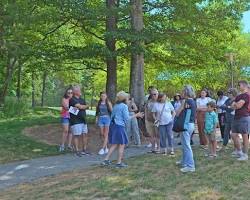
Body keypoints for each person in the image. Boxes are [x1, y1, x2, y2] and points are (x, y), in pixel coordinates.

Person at [101, 91, 143, 168]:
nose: (128, 99)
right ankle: (119, 163)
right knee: (122, 144)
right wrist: (136, 115)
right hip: (119, 126)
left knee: (115, 144)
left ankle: (105, 160)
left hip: (113, 126)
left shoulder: (116, 105)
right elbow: (127, 119)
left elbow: (113, 116)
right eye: (127, 97)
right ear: (124, 99)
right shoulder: (124, 106)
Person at [176, 85, 197, 173]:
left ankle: (190, 166)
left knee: (187, 146)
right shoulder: (193, 101)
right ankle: (184, 162)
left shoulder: (186, 101)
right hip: (190, 124)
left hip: (186, 125)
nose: (181, 93)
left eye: (182, 91)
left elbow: (178, 113)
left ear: (185, 92)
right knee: (185, 145)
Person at [231, 80, 250, 161]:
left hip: (244, 117)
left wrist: (236, 104)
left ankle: (245, 155)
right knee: (233, 135)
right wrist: (236, 104)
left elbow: (238, 106)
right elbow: (232, 106)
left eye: (239, 85)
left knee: (245, 136)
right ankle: (239, 152)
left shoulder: (246, 95)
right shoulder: (239, 96)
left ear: (244, 85)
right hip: (236, 117)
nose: (238, 87)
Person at [69, 85, 89, 157]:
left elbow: (87, 106)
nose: (80, 91)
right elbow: (80, 106)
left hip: (83, 120)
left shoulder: (82, 99)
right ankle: (77, 151)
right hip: (76, 120)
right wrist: (83, 106)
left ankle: (84, 150)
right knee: (77, 135)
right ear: (75, 92)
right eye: (79, 90)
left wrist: (83, 106)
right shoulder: (72, 99)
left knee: (85, 134)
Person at [145, 88, 160, 153]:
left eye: (155, 94)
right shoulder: (149, 101)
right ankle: (153, 148)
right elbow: (146, 109)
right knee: (151, 135)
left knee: (157, 135)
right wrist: (145, 118)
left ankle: (158, 148)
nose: (153, 96)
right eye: (152, 94)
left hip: (156, 121)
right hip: (149, 121)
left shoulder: (160, 101)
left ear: (157, 94)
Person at [59, 87, 73, 152]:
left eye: (71, 93)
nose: (70, 94)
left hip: (72, 117)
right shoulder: (64, 99)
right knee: (66, 130)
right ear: (66, 93)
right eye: (68, 93)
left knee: (71, 131)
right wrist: (76, 108)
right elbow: (67, 108)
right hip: (65, 116)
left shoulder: (73, 100)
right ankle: (62, 145)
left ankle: (69, 145)